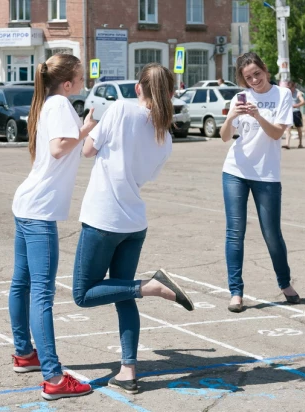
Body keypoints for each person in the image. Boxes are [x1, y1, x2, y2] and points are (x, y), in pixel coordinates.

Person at [72, 63, 195, 394]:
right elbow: (144, 175)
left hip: (103, 219)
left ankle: (152, 286)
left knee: (83, 294)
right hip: (133, 223)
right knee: (123, 294)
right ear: (170, 94)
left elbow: (87, 151)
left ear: (138, 88)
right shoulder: (165, 136)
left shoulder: (120, 109)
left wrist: (90, 128)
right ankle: (128, 369)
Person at [9, 53, 97, 401]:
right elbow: (60, 147)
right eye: (81, 76)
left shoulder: (49, 104)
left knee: (23, 284)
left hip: (28, 204)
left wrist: (86, 133)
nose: (84, 82)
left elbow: (75, 149)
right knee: (41, 293)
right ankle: (54, 378)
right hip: (40, 211)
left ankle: (24, 353)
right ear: (67, 82)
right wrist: (84, 130)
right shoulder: (60, 104)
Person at [218, 52, 300, 313]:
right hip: (235, 171)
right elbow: (224, 137)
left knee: (271, 233)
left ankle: (285, 283)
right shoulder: (240, 98)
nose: (254, 80)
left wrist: (257, 115)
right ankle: (236, 292)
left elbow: (276, 134)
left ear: (265, 70)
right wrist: (231, 117)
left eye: (257, 73)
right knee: (235, 233)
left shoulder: (282, 95)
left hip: (266, 175)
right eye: (248, 77)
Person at [283, 81, 305, 149]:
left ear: (293, 87)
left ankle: (300, 143)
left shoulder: (298, 93)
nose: (289, 89)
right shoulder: (287, 93)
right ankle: (287, 144)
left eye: (290, 88)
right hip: (288, 113)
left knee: (298, 128)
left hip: (296, 112)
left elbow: (303, 102)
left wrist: (296, 105)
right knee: (288, 128)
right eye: (288, 88)